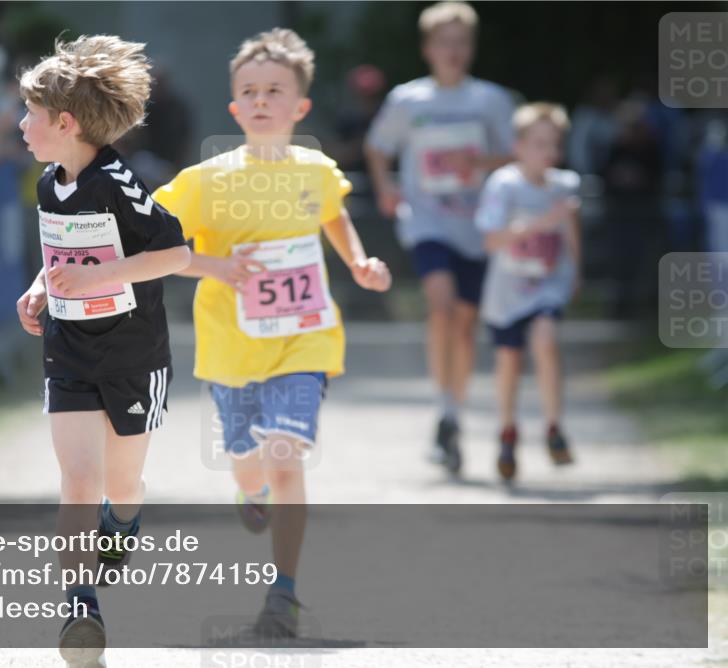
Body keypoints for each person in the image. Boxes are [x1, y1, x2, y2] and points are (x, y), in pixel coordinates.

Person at [154, 28, 390, 638]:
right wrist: (213, 267)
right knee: (247, 462)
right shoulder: (205, 180)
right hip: (230, 347)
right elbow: (152, 237)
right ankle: (248, 488)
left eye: (274, 91)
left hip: (304, 340)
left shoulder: (315, 170)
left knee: (287, 457)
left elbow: (334, 214)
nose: (261, 100)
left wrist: (358, 262)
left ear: (300, 107)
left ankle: (282, 591)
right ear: (234, 107)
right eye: (250, 92)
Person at [13, 34, 190, 662]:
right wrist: (39, 288)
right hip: (70, 350)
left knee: (123, 482)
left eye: (31, 114)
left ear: (65, 123)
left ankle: (124, 523)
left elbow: (177, 253)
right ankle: (79, 604)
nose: (21, 124)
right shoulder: (47, 185)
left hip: (131, 353)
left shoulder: (120, 182)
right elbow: (60, 257)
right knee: (78, 480)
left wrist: (98, 278)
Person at [364, 1, 515, 474]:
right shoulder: (409, 100)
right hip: (427, 221)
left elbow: (517, 156)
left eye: (461, 42)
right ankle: (444, 405)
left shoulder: (491, 100)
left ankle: (453, 413)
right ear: (428, 48)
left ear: (471, 48)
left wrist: (478, 165)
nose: (452, 50)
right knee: (442, 306)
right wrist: (386, 184)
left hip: (478, 227)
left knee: (467, 326)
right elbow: (376, 147)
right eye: (444, 42)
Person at [475, 103, 580, 482]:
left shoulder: (566, 185)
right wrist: (539, 224)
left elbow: (571, 234)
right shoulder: (503, 185)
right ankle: (507, 431)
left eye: (554, 145)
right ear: (518, 146)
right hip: (507, 291)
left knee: (546, 341)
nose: (547, 153)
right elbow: (490, 240)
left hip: (547, 285)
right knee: (509, 361)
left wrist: (575, 272)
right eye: (538, 144)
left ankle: (554, 426)